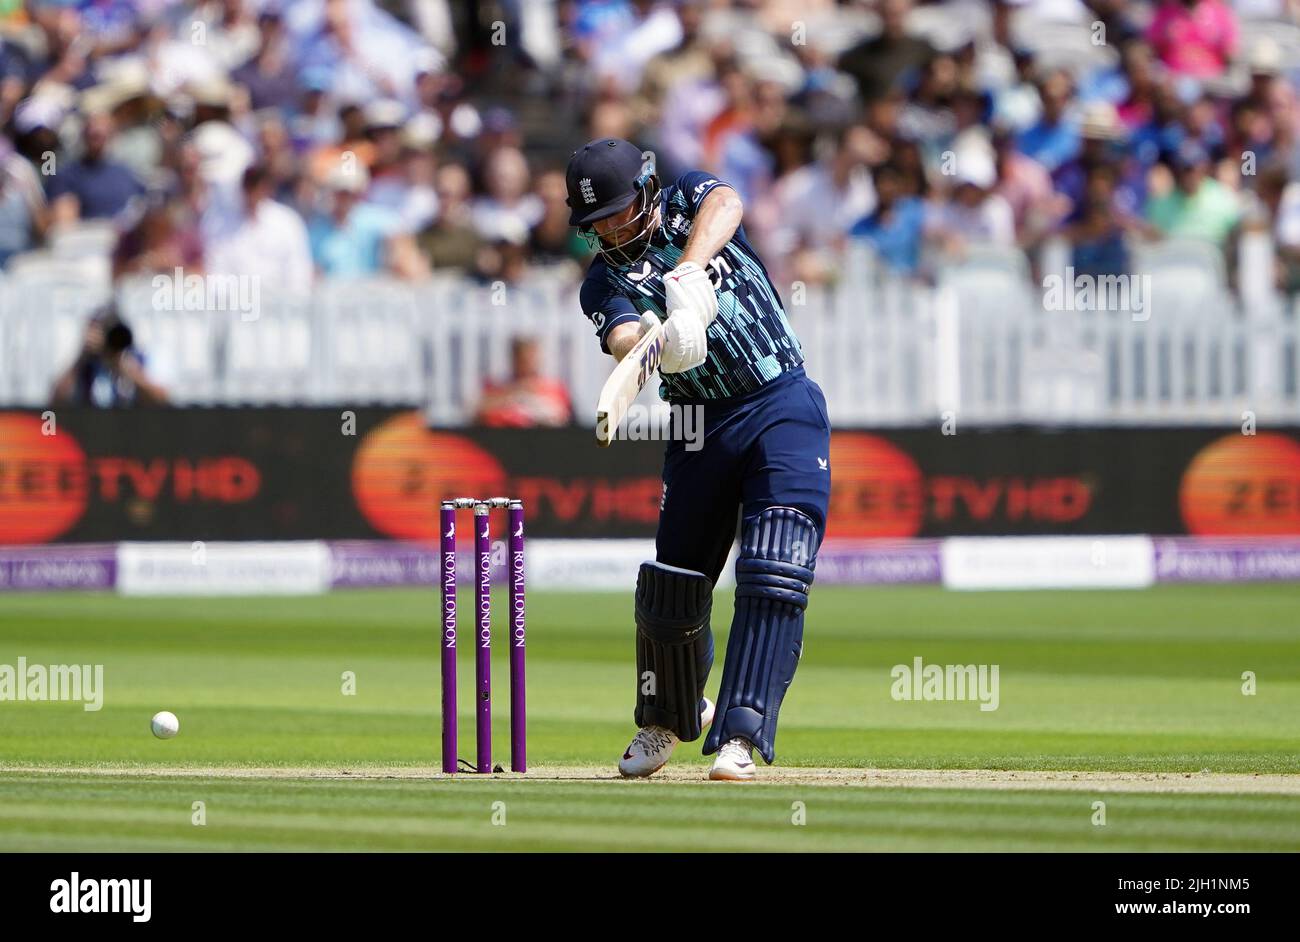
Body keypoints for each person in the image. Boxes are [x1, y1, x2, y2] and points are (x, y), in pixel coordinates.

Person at [567, 137, 830, 781]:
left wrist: (686, 271)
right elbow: (626, 341)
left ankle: (741, 734)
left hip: (779, 400)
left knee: (775, 564)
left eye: (617, 212)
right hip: (696, 423)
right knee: (673, 591)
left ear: (649, 191)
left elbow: (728, 202)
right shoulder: (603, 280)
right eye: (593, 222)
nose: (606, 229)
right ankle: (666, 718)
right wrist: (663, 338)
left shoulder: (687, 196)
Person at [51, 308, 170, 407]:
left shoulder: (137, 359)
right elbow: (57, 400)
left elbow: (162, 399)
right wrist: (81, 357)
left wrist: (124, 367)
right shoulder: (86, 366)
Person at [474, 337, 572, 427]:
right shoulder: (497, 386)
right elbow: (479, 412)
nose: (529, 362)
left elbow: (563, 417)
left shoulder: (553, 387)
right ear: (514, 358)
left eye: (532, 357)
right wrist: (514, 391)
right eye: (523, 357)